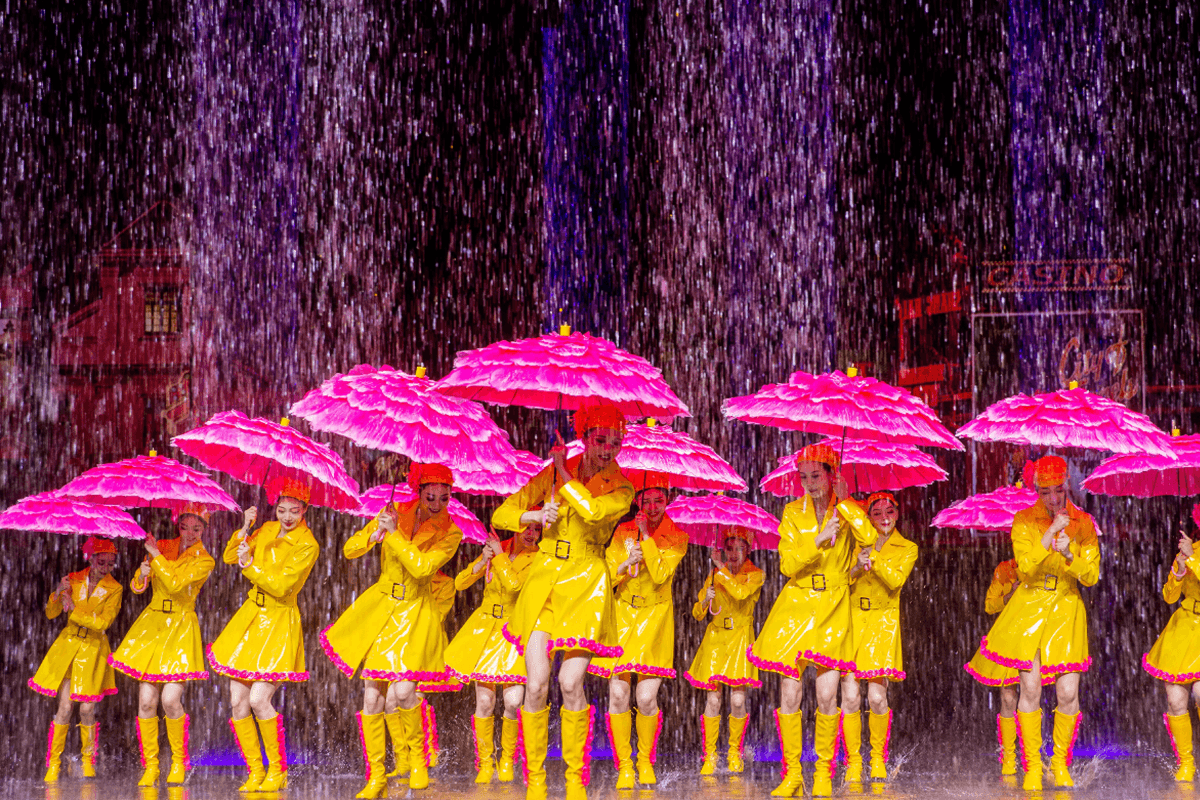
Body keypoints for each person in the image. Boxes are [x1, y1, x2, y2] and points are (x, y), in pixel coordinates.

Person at [494, 400, 634, 800]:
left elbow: (592, 512)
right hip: (545, 581)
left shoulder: (622, 487)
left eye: (614, 442)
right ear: (585, 437)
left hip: (587, 584)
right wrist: (535, 517)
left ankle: (575, 780)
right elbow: (503, 514)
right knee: (536, 685)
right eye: (600, 439)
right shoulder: (552, 474)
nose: (607, 449)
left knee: (570, 683)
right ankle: (535, 781)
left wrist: (564, 474)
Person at [320, 464, 462, 798]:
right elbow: (350, 550)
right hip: (383, 609)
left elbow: (422, 568)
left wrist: (395, 536)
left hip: (416, 612)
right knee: (372, 697)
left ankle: (417, 760)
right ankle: (376, 776)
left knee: (404, 692)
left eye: (444, 498)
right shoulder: (394, 512)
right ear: (419, 491)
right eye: (430, 496)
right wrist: (374, 533)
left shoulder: (451, 532)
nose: (437, 503)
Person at [747, 442, 877, 798]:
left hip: (833, 604)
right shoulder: (792, 512)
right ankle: (792, 774)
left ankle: (822, 772)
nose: (809, 483)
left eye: (816, 476)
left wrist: (847, 504)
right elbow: (787, 565)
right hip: (797, 604)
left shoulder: (847, 510)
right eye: (803, 477)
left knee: (826, 694)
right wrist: (817, 541)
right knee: (789, 693)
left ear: (832, 476)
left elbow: (870, 538)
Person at [972, 455, 1100, 791]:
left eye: (1058, 490)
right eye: (1045, 492)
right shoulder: (1024, 520)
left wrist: (1070, 555)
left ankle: (1059, 764)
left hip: (1067, 608)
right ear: (1036, 490)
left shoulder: (1084, 523)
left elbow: (1091, 576)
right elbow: (1026, 567)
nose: (1053, 498)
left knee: (1068, 692)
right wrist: (1050, 535)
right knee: (1029, 688)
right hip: (1029, 606)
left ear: (1066, 485)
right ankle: (1031, 765)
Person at [208, 478, 320, 793]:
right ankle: (256, 770)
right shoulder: (267, 529)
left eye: (294, 511)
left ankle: (278, 770)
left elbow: (282, 586)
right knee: (237, 701)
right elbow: (230, 557)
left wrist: (250, 566)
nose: (287, 517)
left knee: (259, 699)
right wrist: (245, 527)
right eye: (282, 510)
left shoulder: (307, 544)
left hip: (278, 620)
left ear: (304, 510)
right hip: (251, 617)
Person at [591, 475, 688, 789]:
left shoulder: (676, 536)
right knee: (619, 694)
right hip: (622, 614)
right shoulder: (622, 531)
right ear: (637, 501)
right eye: (647, 500)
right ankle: (624, 766)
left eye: (659, 500)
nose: (653, 506)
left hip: (656, 617)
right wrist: (623, 565)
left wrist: (646, 538)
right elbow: (607, 575)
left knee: (646, 699)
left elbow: (660, 575)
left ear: (667, 500)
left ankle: (645, 760)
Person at [109, 504, 216, 786]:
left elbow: (176, 584)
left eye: (196, 529)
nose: (189, 533)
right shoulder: (164, 546)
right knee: (146, 702)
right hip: (153, 624)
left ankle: (179, 761)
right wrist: (142, 573)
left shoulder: (205, 560)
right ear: (178, 525)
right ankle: (151, 766)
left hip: (180, 627)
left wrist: (155, 556)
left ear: (204, 530)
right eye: (185, 527)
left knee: (169, 700)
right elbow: (137, 588)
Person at [445, 520, 542, 783]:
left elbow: (514, 586)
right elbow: (460, 583)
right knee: (485, 702)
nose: (531, 534)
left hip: (514, 630)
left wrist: (498, 556)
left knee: (513, 702)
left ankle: (508, 759)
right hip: (486, 629)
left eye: (537, 529)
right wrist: (481, 561)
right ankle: (486, 763)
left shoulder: (539, 557)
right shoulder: (497, 548)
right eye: (527, 528)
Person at [838, 491, 918, 784]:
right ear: (868, 517)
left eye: (890, 511)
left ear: (897, 513)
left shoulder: (907, 547)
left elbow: (896, 580)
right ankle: (853, 762)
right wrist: (856, 566)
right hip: (851, 619)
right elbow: (841, 579)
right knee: (849, 696)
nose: (884, 517)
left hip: (883, 623)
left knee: (876, 697)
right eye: (877, 513)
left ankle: (877, 759)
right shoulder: (853, 541)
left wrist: (873, 554)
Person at [31, 535, 123, 783]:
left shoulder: (115, 588)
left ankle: (87, 760)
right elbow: (51, 613)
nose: (106, 568)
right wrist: (58, 592)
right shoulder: (73, 579)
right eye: (101, 562)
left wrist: (75, 609)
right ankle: (53, 763)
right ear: (91, 559)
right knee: (64, 707)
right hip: (69, 646)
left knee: (87, 708)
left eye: (111, 564)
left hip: (93, 649)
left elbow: (103, 623)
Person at [685, 526, 763, 776]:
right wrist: (704, 599)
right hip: (716, 638)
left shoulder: (755, 574)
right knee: (713, 699)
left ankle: (734, 753)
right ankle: (710, 755)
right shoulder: (714, 575)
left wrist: (720, 568)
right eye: (729, 548)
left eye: (740, 548)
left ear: (748, 550)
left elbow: (740, 594)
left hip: (740, 637)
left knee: (737, 700)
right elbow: (697, 614)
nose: (733, 553)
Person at [1143, 525, 1200, 782]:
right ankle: (1186, 763)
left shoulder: (1193, 553)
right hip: (1184, 627)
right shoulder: (1190, 549)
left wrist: (1193, 560)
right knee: (1175, 700)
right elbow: (1169, 596)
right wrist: (1178, 572)